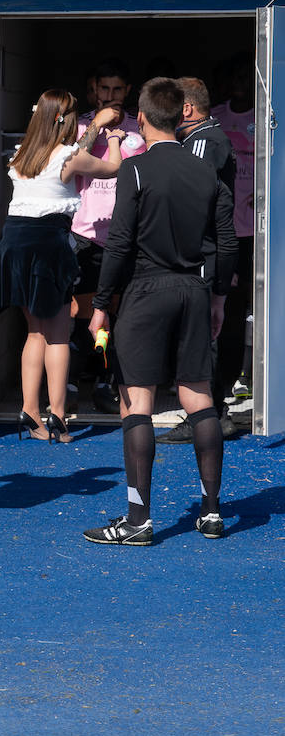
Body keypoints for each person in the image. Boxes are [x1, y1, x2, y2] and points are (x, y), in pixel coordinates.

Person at [82, 77, 236, 546]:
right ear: (181, 115)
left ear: (143, 119)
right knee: (199, 396)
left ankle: (137, 520)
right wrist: (218, 298)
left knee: (138, 402)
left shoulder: (134, 169)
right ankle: (211, 512)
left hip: (147, 290)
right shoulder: (206, 172)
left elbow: (120, 244)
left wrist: (102, 304)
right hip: (193, 287)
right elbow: (226, 243)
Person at [0, 89, 124, 442]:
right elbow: (111, 167)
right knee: (59, 334)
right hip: (48, 244)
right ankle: (58, 416)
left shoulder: (21, 155)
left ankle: (30, 411)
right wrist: (116, 139)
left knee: (34, 332)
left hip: (14, 243)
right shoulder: (69, 159)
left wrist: (95, 127)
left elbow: (75, 150)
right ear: (68, 121)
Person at [157, 76, 239, 444]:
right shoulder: (198, 138)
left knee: (203, 336)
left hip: (203, 252)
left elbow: (192, 194)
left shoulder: (205, 140)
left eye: (171, 105)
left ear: (186, 108)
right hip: (200, 251)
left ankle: (207, 415)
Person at [69, 59, 147, 415]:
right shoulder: (80, 126)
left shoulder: (138, 129)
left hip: (123, 237)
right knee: (80, 314)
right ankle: (70, 381)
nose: (111, 96)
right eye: (105, 89)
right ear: (93, 89)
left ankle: (105, 382)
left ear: (128, 91)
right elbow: (66, 166)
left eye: (118, 90)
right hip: (84, 232)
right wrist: (95, 128)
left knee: (115, 314)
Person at [212, 53, 256, 415]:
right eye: (236, 76)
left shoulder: (266, 117)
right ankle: (225, 379)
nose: (242, 83)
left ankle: (249, 374)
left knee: (254, 307)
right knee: (226, 304)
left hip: (257, 230)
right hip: (224, 230)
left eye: (247, 76)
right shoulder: (216, 118)